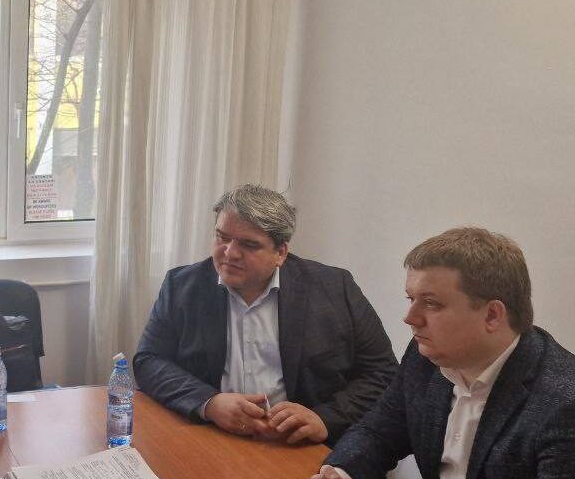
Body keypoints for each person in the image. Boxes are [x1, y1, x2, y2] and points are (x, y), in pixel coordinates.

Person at [303, 227, 575, 479]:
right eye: (411, 299)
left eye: (431, 304)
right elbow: (378, 432)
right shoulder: (426, 359)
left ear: (492, 315)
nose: (410, 317)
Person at [134, 184, 398, 445]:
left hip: (301, 445)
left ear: (280, 253)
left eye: (249, 245)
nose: (230, 253)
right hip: (211, 435)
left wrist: (325, 418)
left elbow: (383, 373)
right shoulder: (182, 286)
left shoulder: (335, 289)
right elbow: (149, 361)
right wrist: (209, 403)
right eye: (222, 237)